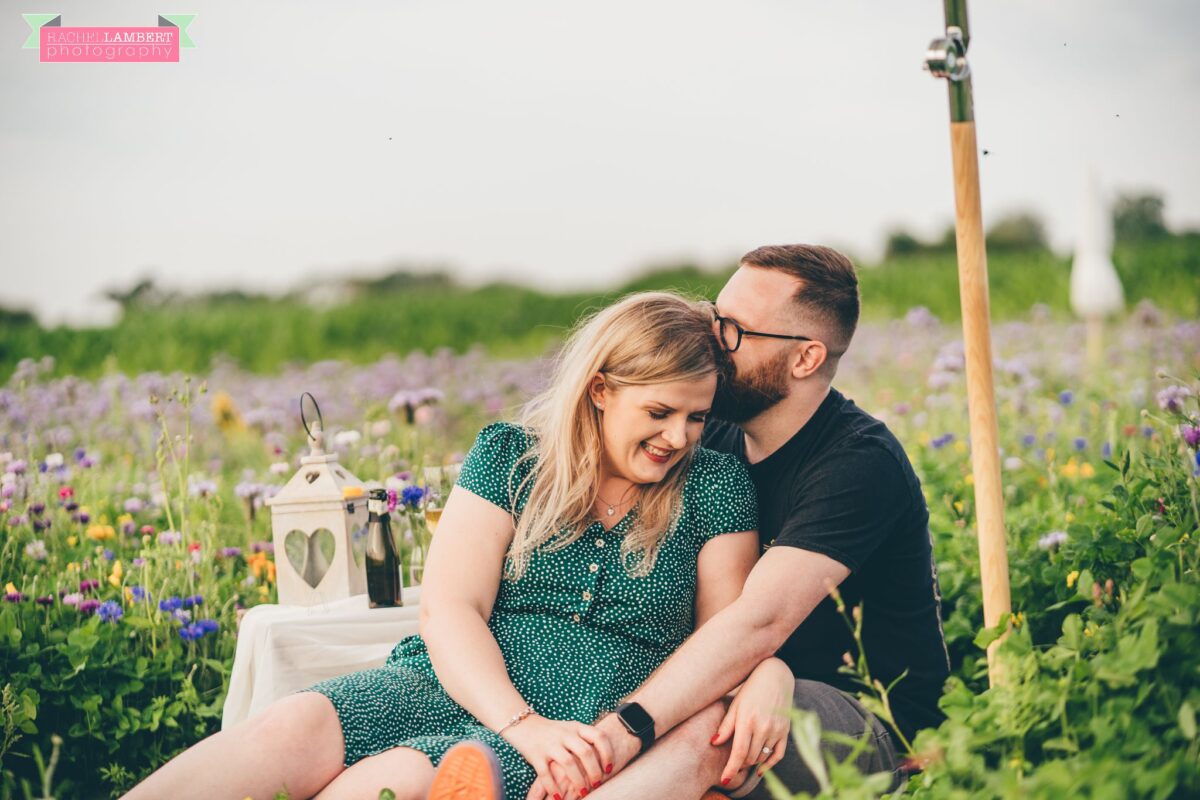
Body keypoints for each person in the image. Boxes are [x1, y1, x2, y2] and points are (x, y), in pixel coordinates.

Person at [124, 291, 791, 800]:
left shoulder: (714, 486)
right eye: (659, 413)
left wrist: (772, 671)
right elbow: (449, 609)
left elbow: (722, 642)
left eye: (695, 417)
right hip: (458, 684)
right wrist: (518, 720)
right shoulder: (510, 459)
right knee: (292, 725)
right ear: (599, 393)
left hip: (587, 722)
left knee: (401, 780)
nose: (678, 436)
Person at [553, 244, 951, 800]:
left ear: (806, 358)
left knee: (701, 734)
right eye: (716, 318)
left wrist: (628, 729)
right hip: (739, 683)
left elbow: (756, 624)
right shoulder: (705, 435)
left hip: (867, 719)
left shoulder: (858, 462)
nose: (712, 340)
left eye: (735, 331)